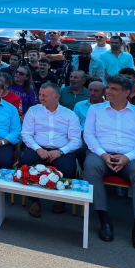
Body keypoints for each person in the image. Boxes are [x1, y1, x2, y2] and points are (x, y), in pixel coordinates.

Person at [82, 75, 135, 249]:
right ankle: (104, 221)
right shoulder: (95, 109)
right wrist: (103, 155)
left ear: (127, 92)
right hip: (101, 154)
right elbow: (89, 135)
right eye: (108, 87)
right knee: (90, 167)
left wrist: (128, 157)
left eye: (114, 89)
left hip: (131, 156)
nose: (108, 91)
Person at [20, 82, 82, 217]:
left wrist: (60, 152)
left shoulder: (69, 115)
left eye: (45, 95)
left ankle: (60, 199)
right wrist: (38, 149)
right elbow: (26, 134)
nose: (41, 98)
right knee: (27, 162)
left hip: (61, 150)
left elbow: (76, 141)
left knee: (68, 168)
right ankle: (34, 200)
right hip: (37, 148)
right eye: (40, 94)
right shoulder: (33, 111)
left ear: (56, 97)